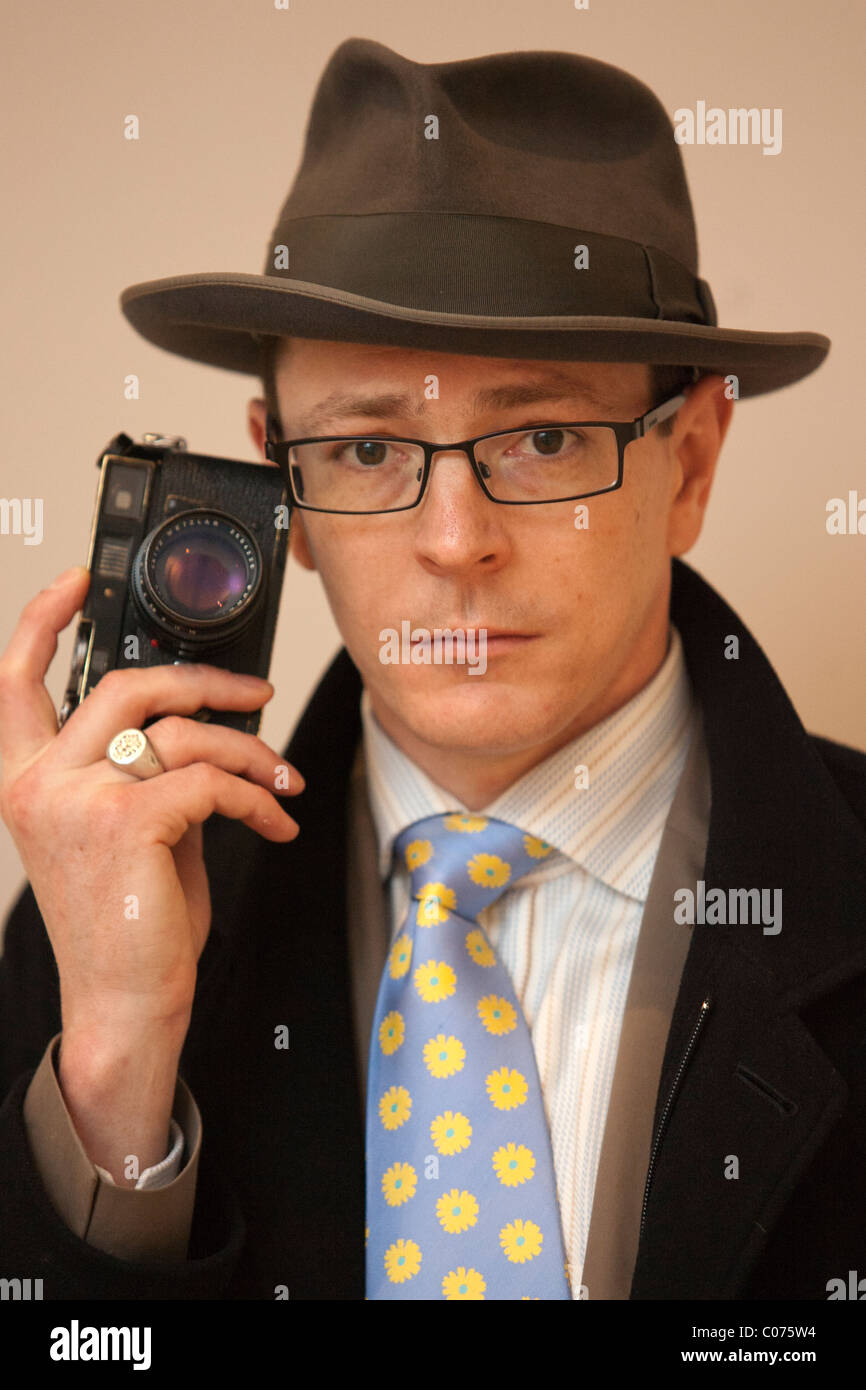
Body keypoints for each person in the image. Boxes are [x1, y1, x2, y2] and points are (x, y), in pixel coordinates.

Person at [0, 37, 863, 1302]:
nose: (455, 543)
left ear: (688, 463)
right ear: (275, 477)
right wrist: (120, 1072)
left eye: (546, 435)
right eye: (362, 451)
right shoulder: (82, 928)